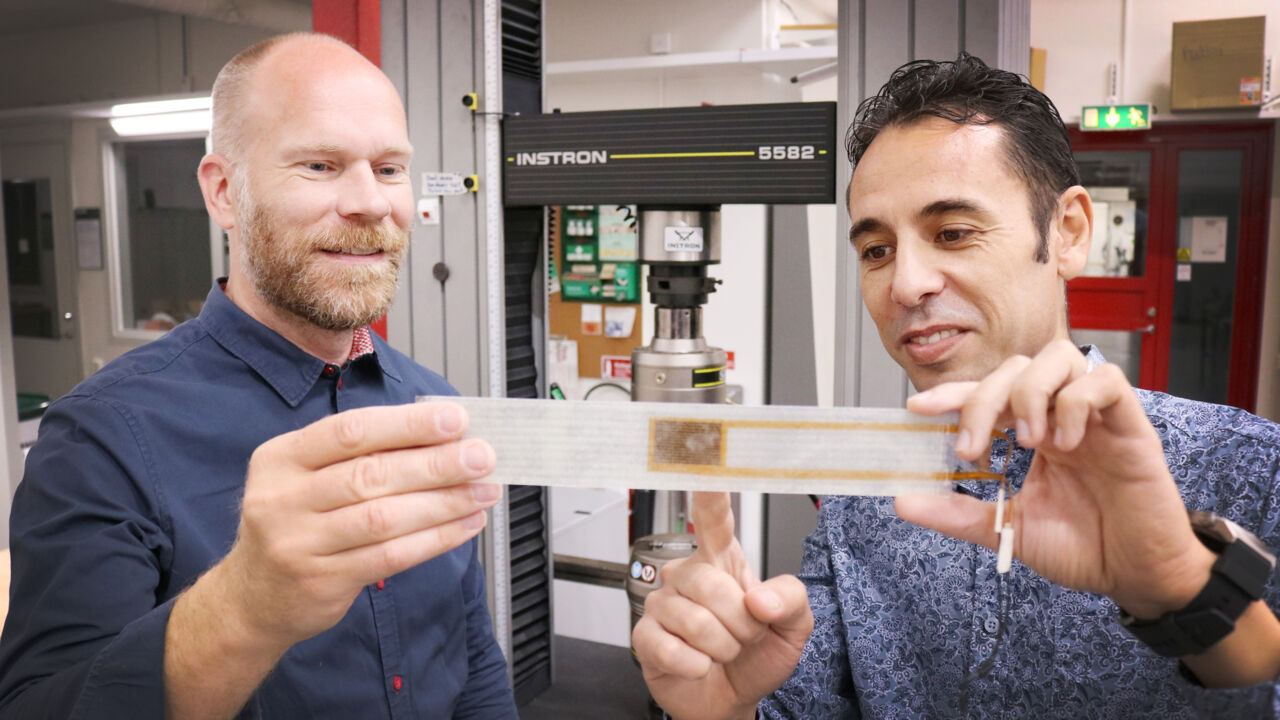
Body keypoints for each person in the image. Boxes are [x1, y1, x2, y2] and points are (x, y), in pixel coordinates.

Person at [632, 53, 1280, 719]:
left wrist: (1181, 587)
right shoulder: (866, 492)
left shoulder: (1251, 470)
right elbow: (802, 700)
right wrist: (727, 708)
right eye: (876, 250)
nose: (906, 284)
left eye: (953, 232)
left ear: (1069, 232)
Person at [0, 33, 518, 719]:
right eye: (320, 165)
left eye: (390, 169)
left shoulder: (432, 404)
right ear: (223, 193)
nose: (370, 202)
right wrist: (244, 607)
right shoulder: (100, 439)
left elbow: (466, 650)